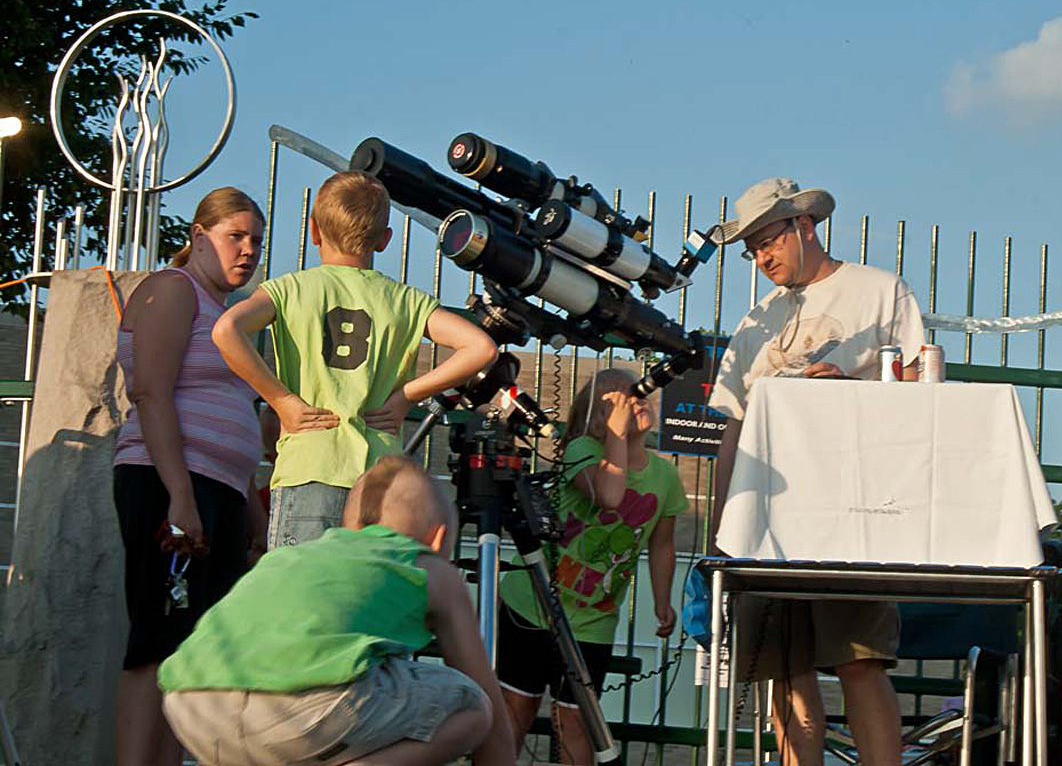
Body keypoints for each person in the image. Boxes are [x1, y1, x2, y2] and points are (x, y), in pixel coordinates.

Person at [708, 177, 925, 766]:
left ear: (804, 225)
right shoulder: (756, 321)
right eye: (751, 250)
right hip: (767, 521)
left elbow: (920, 396)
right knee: (784, 669)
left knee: (860, 661)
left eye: (767, 241)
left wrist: (849, 389)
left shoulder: (880, 291)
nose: (761, 258)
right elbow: (733, 429)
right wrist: (722, 532)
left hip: (853, 515)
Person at [158, 455, 516, 766]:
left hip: (191, 705)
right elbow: (493, 718)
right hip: (297, 712)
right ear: (437, 539)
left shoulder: (294, 557)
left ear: (349, 527)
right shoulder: (428, 567)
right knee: (472, 706)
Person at [212, 171, 497, 549]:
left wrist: (282, 401)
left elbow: (226, 329)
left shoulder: (290, 289)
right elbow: (482, 348)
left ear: (314, 231)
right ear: (384, 239)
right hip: (380, 481)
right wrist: (407, 396)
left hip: (310, 465)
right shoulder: (405, 300)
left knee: (306, 583)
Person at [112, 187, 268, 766]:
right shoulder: (173, 290)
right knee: (157, 641)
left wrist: (253, 515)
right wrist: (180, 497)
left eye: (256, 241)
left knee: (196, 651)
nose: (248, 250)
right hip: (168, 484)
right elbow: (151, 392)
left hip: (218, 491)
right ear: (200, 236)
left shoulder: (229, 317)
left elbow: (234, 418)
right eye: (236, 236)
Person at [496, 368, 688, 764]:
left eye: (637, 397)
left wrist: (662, 599)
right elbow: (608, 495)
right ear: (597, 418)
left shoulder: (665, 476)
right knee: (515, 709)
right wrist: (615, 433)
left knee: (577, 721)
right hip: (533, 605)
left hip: (593, 619)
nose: (634, 404)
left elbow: (662, 543)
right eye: (617, 402)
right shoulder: (583, 449)